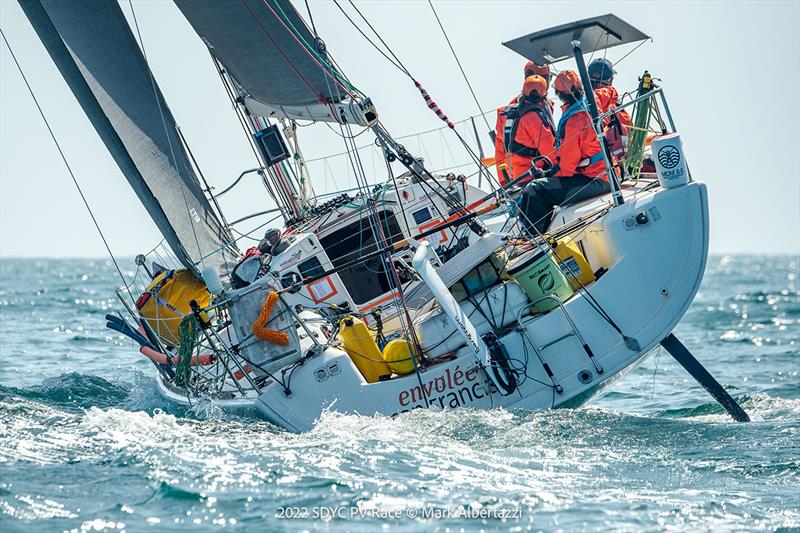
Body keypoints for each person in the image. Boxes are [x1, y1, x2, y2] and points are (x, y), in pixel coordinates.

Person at [517, 70, 611, 234]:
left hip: (595, 179)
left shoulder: (573, 120)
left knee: (536, 189)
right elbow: (609, 93)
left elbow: (567, 167)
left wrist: (547, 174)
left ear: (558, 94)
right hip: (609, 172)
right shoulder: (593, 100)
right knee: (543, 187)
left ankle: (531, 240)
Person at [494, 61, 552, 184]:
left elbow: (500, 149)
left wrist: (504, 182)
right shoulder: (533, 113)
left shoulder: (505, 112)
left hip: (519, 177)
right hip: (534, 175)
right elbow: (549, 148)